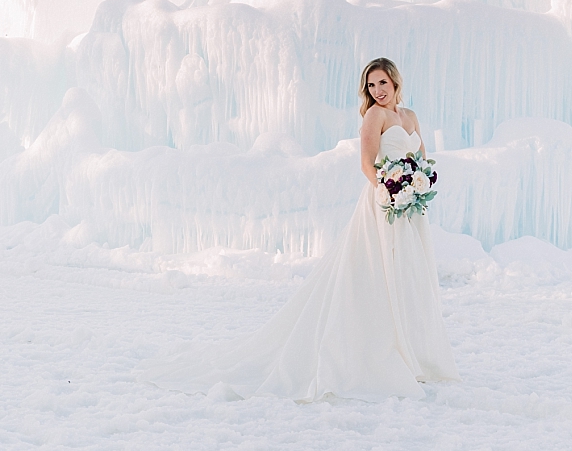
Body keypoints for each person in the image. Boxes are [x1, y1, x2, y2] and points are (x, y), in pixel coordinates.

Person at [141, 57, 459, 401]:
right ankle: (381, 351)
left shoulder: (409, 116)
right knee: (379, 273)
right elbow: (367, 164)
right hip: (385, 204)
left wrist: (419, 183)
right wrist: (391, 190)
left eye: (382, 83)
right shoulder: (374, 117)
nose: (377, 91)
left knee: (410, 275)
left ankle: (414, 351)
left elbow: (422, 155)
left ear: (395, 82)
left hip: (411, 210)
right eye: (371, 85)